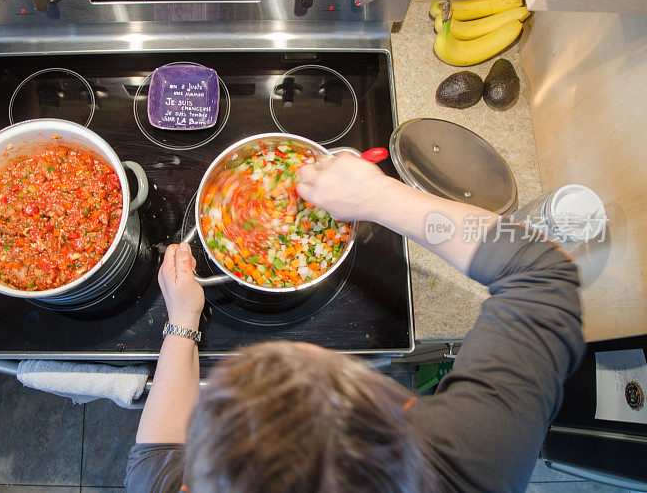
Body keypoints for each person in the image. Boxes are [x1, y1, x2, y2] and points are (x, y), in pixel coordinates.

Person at [125, 153, 585, 492]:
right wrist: (379, 196)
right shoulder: (473, 459)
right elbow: (543, 267)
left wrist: (183, 319)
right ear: (394, 410)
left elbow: (155, 460)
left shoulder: (168, 486)